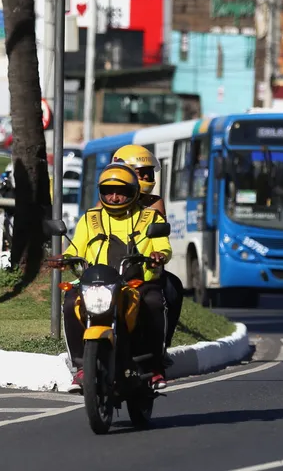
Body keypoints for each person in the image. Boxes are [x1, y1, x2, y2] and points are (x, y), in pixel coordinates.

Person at [60, 162, 172, 393]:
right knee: (71, 302)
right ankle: (81, 367)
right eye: (108, 192)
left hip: (136, 283)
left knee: (152, 303)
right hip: (96, 283)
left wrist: (158, 255)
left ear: (134, 192)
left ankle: (154, 366)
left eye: (121, 192)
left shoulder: (151, 218)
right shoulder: (90, 218)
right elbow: (75, 249)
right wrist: (64, 258)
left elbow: (163, 246)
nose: (114, 197)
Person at [112, 145, 184, 356]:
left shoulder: (154, 204)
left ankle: (161, 347)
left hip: (142, 271)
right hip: (111, 271)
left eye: (147, 172)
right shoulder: (107, 200)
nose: (145, 176)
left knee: (171, 288)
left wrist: (156, 256)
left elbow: (159, 239)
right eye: (139, 172)